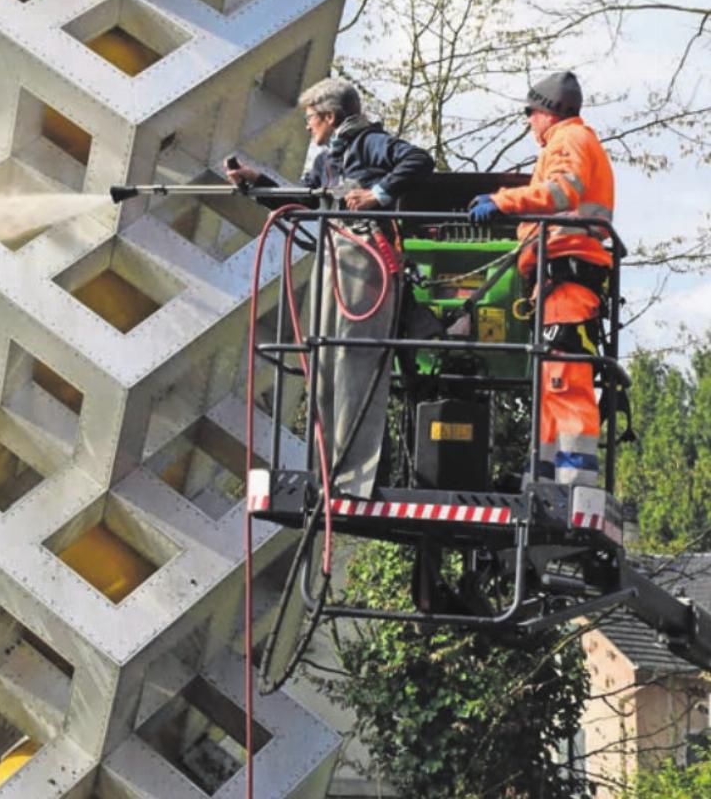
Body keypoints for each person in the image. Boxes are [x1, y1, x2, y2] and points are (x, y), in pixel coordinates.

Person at [226, 77, 435, 495]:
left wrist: (376, 194)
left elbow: (418, 160)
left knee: (355, 365)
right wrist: (259, 185)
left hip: (365, 265)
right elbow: (306, 202)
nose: (307, 127)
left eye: (310, 118)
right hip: (337, 262)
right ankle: (332, 470)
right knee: (326, 362)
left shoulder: (366, 143)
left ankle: (356, 479)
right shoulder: (328, 156)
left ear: (330, 116)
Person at [469, 71, 615, 488]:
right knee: (553, 377)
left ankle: (572, 480)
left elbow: (561, 192)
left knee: (564, 376)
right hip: (560, 280)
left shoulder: (569, 141)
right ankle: (548, 473)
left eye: (531, 115)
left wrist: (503, 201)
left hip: (568, 280)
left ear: (547, 113)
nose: (530, 124)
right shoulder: (575, 140)